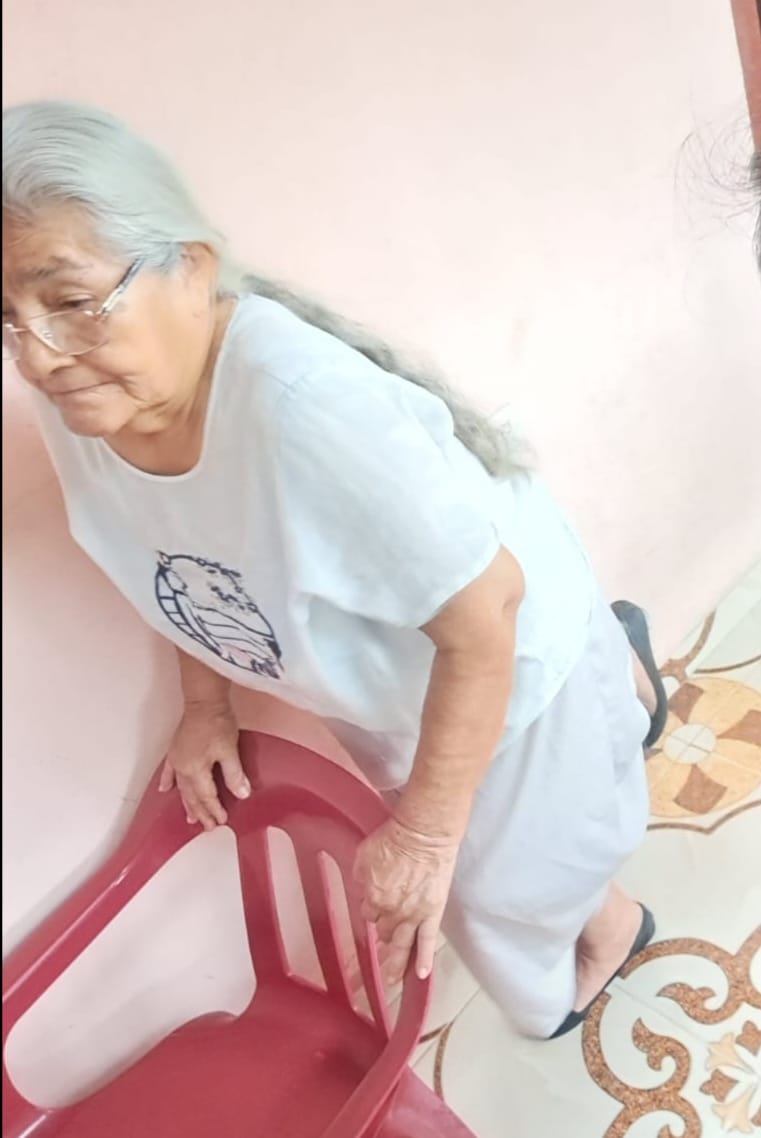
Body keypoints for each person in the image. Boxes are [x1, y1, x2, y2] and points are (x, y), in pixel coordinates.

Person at [2, 100, 671, 1040]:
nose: (36, 357)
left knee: (512, 877)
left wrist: (425, 835)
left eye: (70, 302)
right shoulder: (93, 395)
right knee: (494, 863)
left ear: (189, 268)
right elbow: (175, 557)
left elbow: (486, 612)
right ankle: (619, 689)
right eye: (7, 318)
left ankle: (613, 847)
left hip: (500, 643)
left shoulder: (304, 412)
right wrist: (204, 706)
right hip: (394, 673)